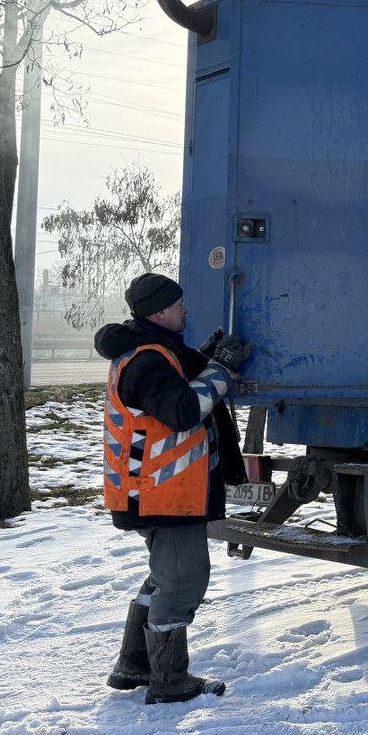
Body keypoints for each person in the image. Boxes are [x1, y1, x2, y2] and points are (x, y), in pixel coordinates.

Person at [94, 272, 252, 705]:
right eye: (179, 304)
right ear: (160, 311)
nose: (186, 310)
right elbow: (183, 408)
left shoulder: (150, 352)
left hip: (154, 490)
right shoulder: (147, 360)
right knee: (182, 582)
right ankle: (169, 682)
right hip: (163, 493)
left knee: (165, 576)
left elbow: (173, 385)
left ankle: (134, 664)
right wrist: (222, 369)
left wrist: (202, 358)